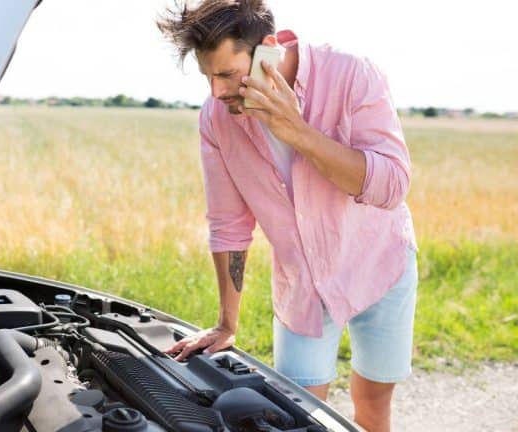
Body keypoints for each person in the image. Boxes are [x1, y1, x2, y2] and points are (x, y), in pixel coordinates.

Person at [157, 1, 418, 431]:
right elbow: (229, 223)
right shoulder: (217, 118)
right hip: (302, 285)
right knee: (299, 416)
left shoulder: (352, 74)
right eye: (208, 76)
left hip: (379, 266)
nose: (217, 92)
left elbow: (390, 186)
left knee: (371, 406)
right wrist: (226, 323)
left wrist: (295, 130)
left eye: (226, 74)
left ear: (269, 50)